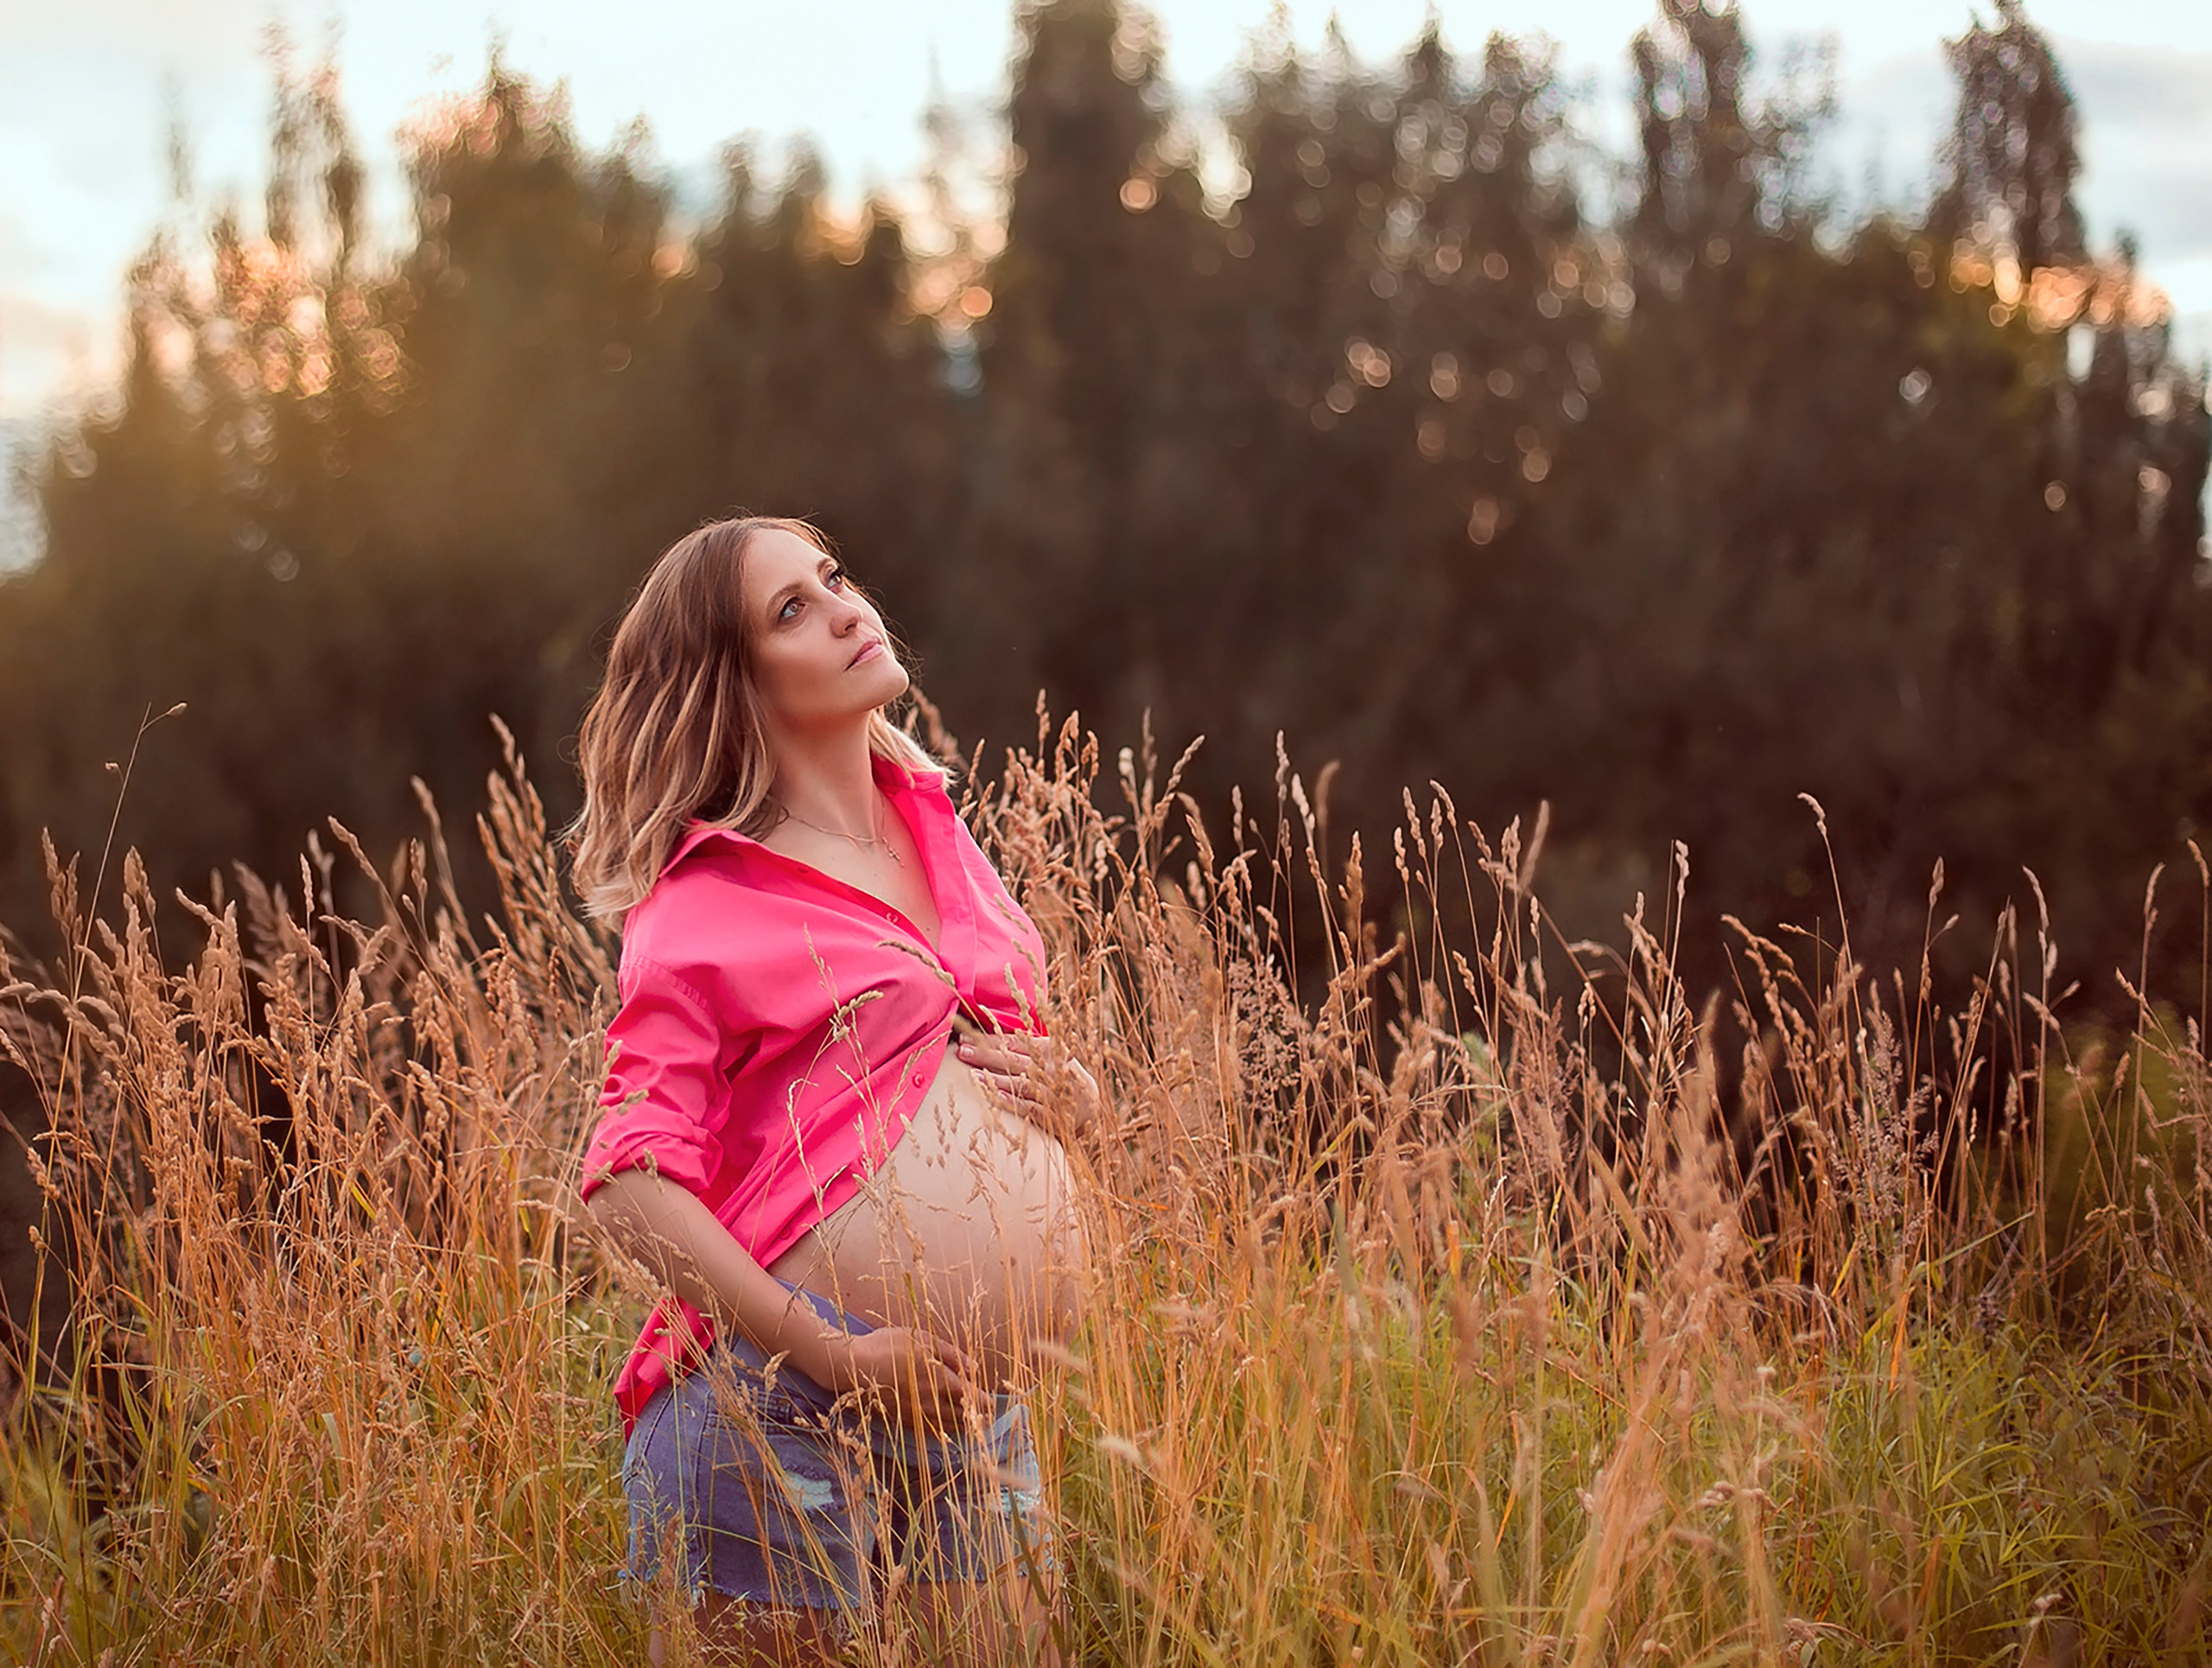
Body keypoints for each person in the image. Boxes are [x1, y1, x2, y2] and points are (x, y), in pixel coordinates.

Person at [566, 515, 1100, 1665]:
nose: (849, 607)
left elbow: (973, 1078)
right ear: (733, 685)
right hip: (778, 1409)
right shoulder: (703, 904)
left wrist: (1078, 1102)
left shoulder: (938, 828)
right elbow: (625, 1180)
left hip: (971, 1414)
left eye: (835, 577)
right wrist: (835, 1353)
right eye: (792, 610)